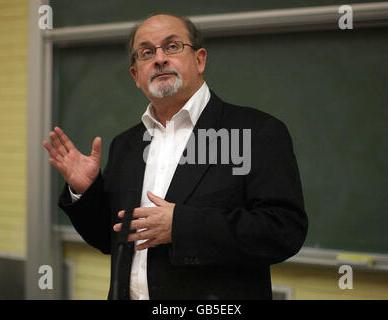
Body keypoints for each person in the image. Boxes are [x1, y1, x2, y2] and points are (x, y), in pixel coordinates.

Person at [43, 13, 308, 300]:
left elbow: (284, 231)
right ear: (135, 75)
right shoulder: (127, 144)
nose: (159, 59)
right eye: (146, 53)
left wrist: (181, 226)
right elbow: (111, 239)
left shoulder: (256, 131)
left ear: (200, 60)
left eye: (172, 47)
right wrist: (86, 191)